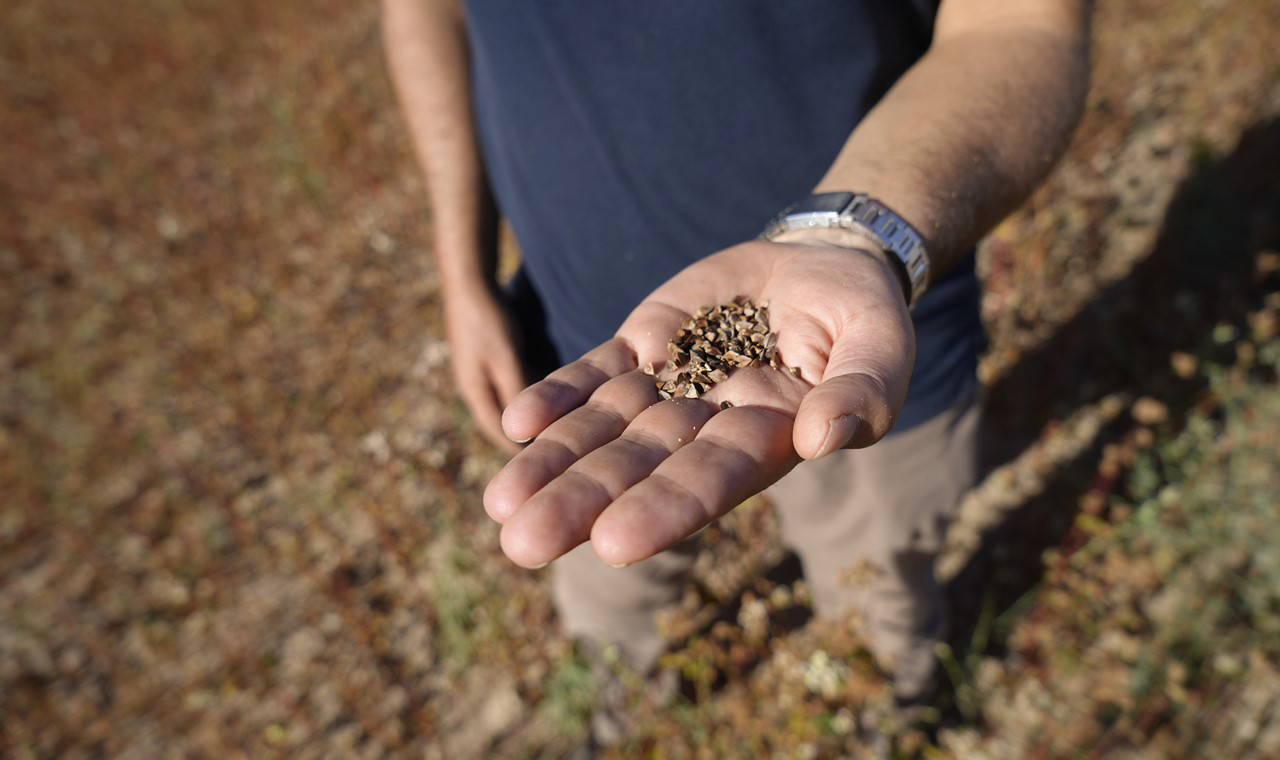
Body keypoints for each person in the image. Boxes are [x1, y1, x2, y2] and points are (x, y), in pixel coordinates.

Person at [383, 0, 1090, 740]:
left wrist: (852, 238)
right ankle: (613, 717)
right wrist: (462, 275)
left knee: (880, 593)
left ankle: (887, 716)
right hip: (591, 363)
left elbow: (1022, 25)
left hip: (853, 329)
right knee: (603, 578)